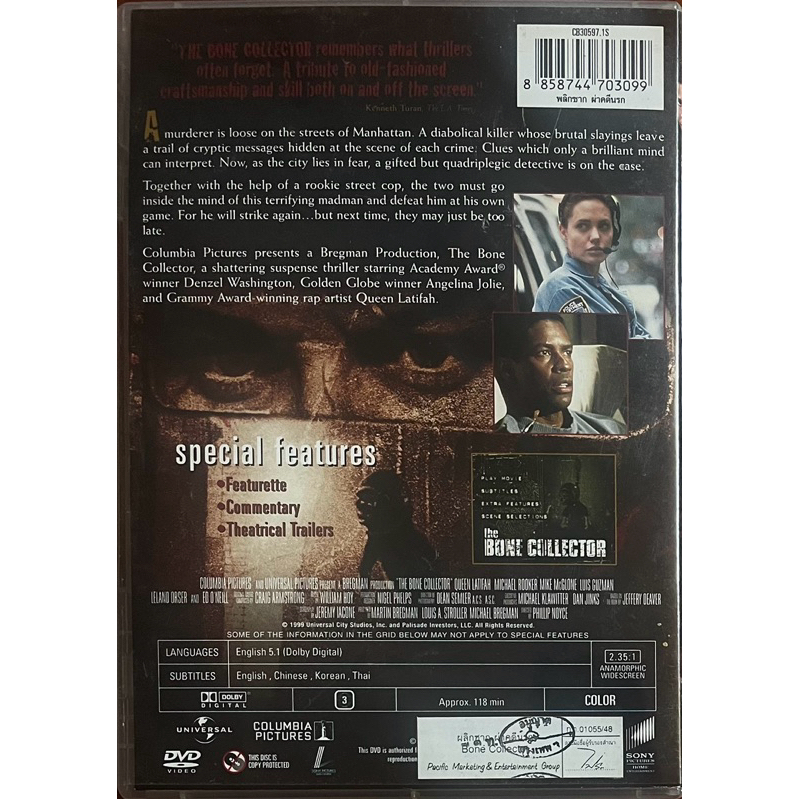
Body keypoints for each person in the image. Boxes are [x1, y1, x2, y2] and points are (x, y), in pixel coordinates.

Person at [533, 194, 651, 339]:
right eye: (583, 226)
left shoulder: (600, 286)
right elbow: (610, 347)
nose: (595, 236)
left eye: (603, 226)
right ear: (564, 232)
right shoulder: (562, 288)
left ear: (614, 233)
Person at [494, 314, 625, 434]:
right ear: (507, 370)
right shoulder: (500, 443)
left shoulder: (611, 430)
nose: (565, 365)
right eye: (544, 353)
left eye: (567, 352)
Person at [355, 471, 437, 579]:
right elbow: (432, 557)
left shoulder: (380, 537)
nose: (363, 505)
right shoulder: (380, 536)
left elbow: (364, 571)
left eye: (369, 500)